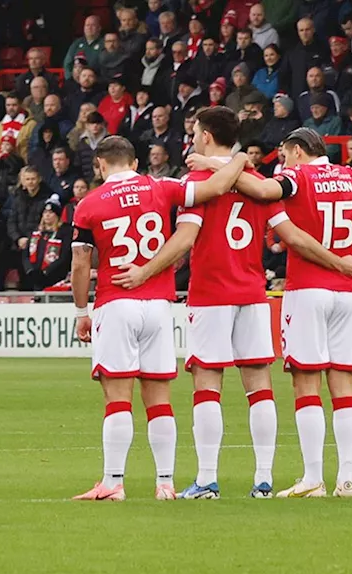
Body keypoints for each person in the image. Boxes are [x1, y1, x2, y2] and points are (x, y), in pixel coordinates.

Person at [115, 107, 343, 498]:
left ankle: (207, 479)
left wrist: (146, 271)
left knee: (207, 384)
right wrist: (338, 262)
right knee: (259, 386)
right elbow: (289, 234)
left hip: (211, 294)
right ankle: (263, 479)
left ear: (205, 136)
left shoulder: (200, 181)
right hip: (253, 293)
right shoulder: (256, 180)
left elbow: (185, 240)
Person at [223, 127, 352, 498]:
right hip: (347, 295)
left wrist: (226, 162)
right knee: (344, 386)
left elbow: (261, 191)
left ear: (297, 151)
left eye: (285, 155)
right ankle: (347, 479)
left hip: (308, 290)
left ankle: (312, 478)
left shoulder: (296, 177)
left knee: (306, 384)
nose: (283, 162)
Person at [68, 136, 247, 502]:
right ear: (134, 163)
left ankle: (113, 482)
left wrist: (81, 311)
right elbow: (216, 186)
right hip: (159, 305)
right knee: (159, 398)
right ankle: (165, 482)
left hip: (116, 302)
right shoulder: (161, 187)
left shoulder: (89, 204)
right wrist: (239, 158)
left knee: (118, 397)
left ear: (100, 164)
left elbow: (80, 264)